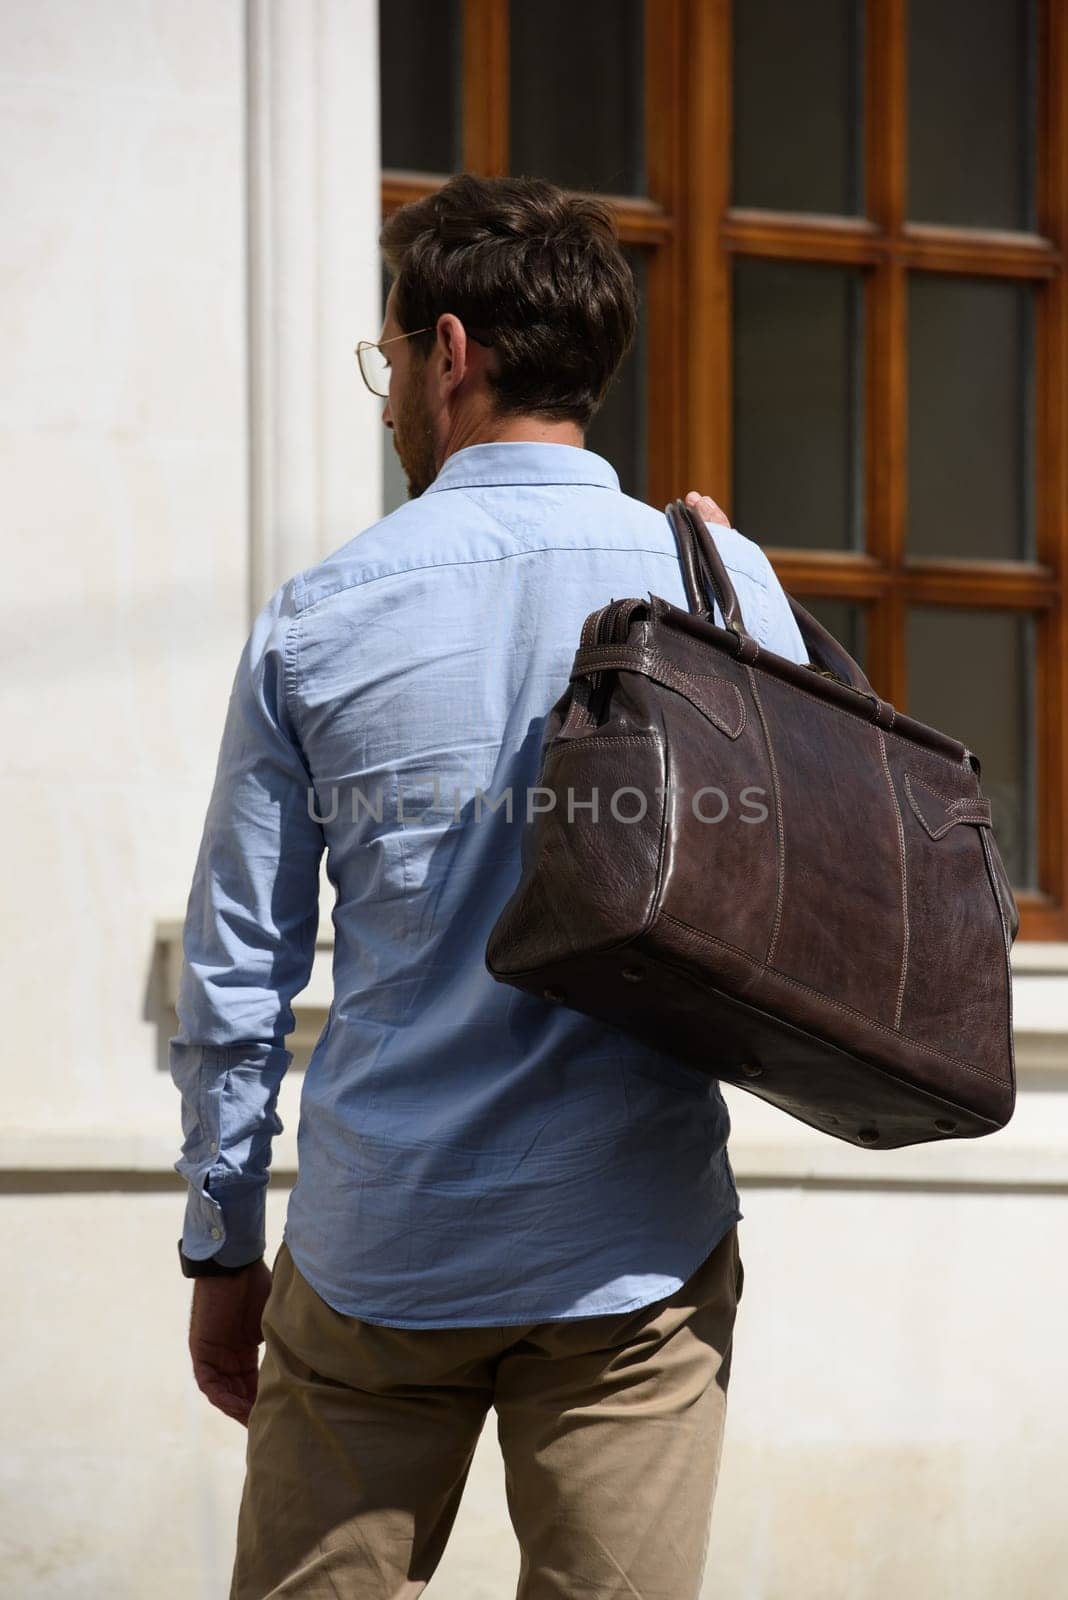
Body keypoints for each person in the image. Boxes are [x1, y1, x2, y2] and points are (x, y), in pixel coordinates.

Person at [170, 172, 808, 1599]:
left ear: (447, 353)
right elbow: (833, 875)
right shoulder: (717, 577)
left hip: (382, 1248)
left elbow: (238, 965)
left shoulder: (322, 616)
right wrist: (756, 599)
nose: (390, 391)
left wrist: (222, 1235)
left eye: (387, 359)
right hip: (635, 1250)